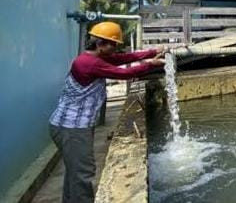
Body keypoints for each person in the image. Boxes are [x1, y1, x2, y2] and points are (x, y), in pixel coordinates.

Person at [48, 21, 166, 203]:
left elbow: (124, 59)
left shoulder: (92, 58)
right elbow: (123, 73)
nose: (115, 49)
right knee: (83, 174)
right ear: (101, 43)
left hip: (68, 126)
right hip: (72, 129)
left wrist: (151, 53)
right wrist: (150, 65)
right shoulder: (88, 63)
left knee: (74, 173)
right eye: (113, 44)